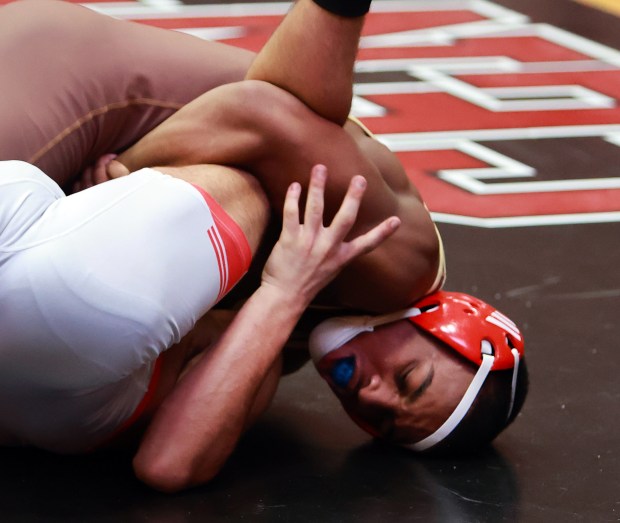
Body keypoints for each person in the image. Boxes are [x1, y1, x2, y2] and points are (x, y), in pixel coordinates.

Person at [0, 0, 527, 490]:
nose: (372, 396)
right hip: (89, 96)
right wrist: (125, 178)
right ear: (441, 324)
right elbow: (262, 114)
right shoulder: (400, 267)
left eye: (384, 421)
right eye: (408, 378)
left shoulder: (291, 334)